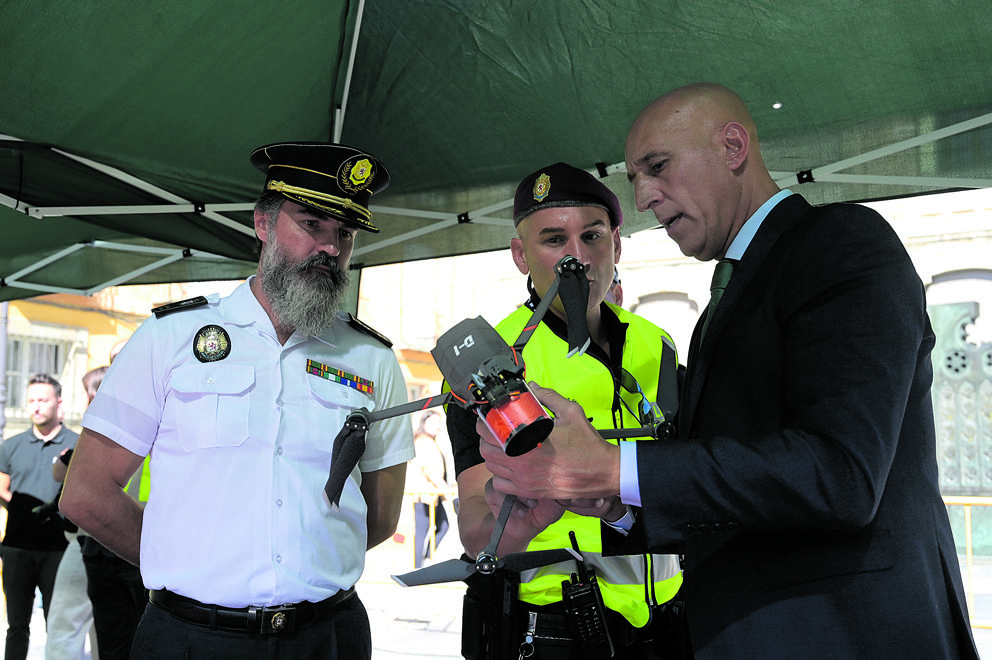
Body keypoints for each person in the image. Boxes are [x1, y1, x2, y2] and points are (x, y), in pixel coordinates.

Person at [478, 84, 980, 659]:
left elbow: (841, 474)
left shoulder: (840, 244)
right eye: (636, 177)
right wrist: (614, 502)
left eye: (657, 168)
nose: (642, 199)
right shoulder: (732, 292)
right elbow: (744, 484)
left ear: (733, 146)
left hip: (846, 634)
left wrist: (615, 467)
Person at [59, 142, 415, 660]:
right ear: (263, 225)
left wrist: (300, 565)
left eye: (344, 233)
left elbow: (379, 517)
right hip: (189, 637)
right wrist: (185, 565)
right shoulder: (171, 338)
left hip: (327, 636)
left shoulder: (371, 358)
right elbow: (86, 493)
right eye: (312, 224)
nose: (331, 247)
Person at [449, 162, 685, 660]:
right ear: (520, 254)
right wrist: (523, 516)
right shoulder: (492, 361)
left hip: (669, 618)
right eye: (554, 240)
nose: (576, 257)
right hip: (558, 626)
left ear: (617, 245)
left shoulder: (658, 345)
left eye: (592, 235)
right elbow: (474, 529)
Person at [0, 374, 77, 660]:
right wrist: (25, 511)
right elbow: (2, 487)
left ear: (58, 403)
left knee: (58, 626)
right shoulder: (12, 445)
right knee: (16, 626)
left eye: (42, 400)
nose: (35, 406)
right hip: (17, 548)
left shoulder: (77, 445)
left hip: (59, 550)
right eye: (31, 400)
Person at [44, 368, 104, 660]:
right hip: (108, 543)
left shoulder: (100, 429)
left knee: (64, 627)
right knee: (102, 631)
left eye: (85, 394)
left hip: (88, 540)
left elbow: (61, 473)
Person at [408, 409, 452, 568]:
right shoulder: (423, 441)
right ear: (423, 423)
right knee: (422, 529)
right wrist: (447, 491)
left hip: (434, 494)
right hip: (424, 494)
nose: (437, 426)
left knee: (443, 526)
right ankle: (417, 566)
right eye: (432, 422)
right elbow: (430, 470)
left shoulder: (432, 442)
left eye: (438, 422)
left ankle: (425, 560)